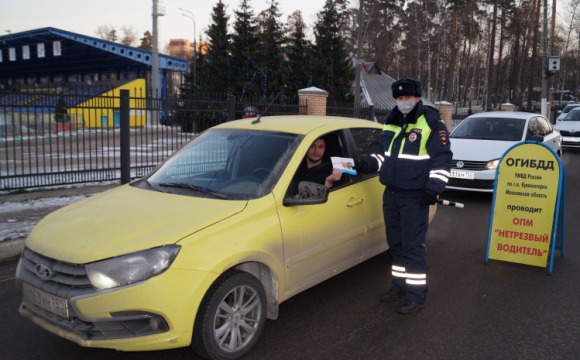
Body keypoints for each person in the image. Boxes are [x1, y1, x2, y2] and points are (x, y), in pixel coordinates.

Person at [360, 77, 452, 314]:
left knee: (413, 247)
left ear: (418, 98)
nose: (403, 102)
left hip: (415, 197)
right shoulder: (391, 122)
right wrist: (364, 164)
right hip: (391, 194)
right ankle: (399, 287)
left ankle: (416, 295)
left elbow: (442, 159)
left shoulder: (431, 122)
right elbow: (383, 157)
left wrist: (434, 189)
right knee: (396, 245)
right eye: (399, 98)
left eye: (407, 98)